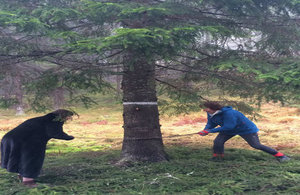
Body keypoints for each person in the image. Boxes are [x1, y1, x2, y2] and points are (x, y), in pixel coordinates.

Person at [1, 109, 76, 187]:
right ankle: (28, 181)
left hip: (10, 138)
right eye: (68, 117)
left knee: (19, 157)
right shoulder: (54, 121)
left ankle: (21, 174)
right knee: (32, 159)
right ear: (63, 116)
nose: (68, 119)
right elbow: (54, 132)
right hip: (28, 141)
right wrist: (69, 137)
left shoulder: (41, 119)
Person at [198, 101, 290, 162]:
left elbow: (229, 126)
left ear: (213, 108)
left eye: (206, 108)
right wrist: (206, 130)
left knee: (256, 145)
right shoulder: (210, 113)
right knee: (218, 142)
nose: (204, 110)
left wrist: (210, 131)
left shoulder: (229, 113)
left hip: (245, 129)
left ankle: (281, 156)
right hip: (229, 129)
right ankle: (218, 157)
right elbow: (211, 123)